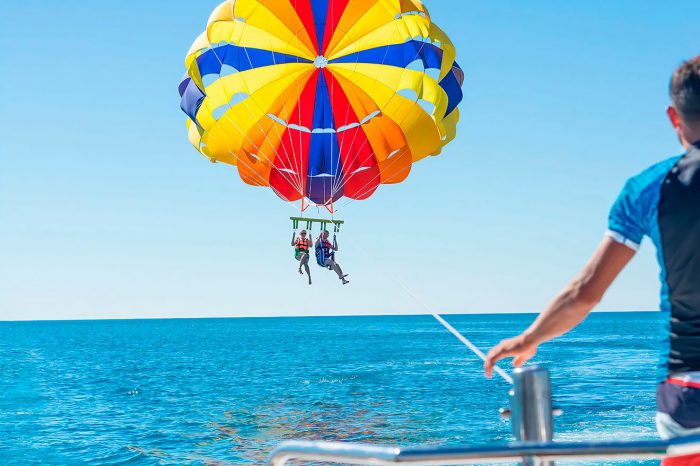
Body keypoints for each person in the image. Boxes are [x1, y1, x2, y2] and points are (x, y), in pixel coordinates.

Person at [484, 56, 700, 464]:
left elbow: (585, 293)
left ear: (674, 116)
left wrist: (528, 339)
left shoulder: (649, 187)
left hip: (688, 394)